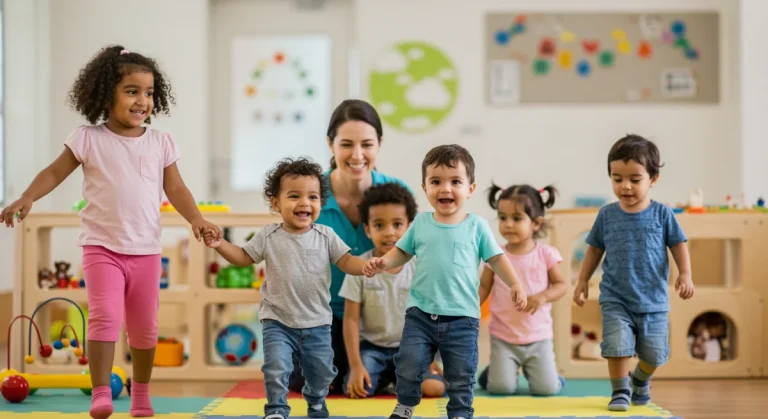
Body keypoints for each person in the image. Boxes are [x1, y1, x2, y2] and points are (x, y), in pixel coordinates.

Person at [0, 45, 221, 419]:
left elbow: (177, 188)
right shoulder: (88, 138)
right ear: (106, 95)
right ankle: (100, 392)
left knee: (145, 328)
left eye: (149, 93)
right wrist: (27, 196)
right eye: (131, 91)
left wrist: (196, 219)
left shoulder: (161, 142)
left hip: (146, 251)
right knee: (104, 317)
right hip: (101, 247)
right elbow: (54, 172)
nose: (142, 100)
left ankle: (141, 395)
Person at [363, 144, 527, 419]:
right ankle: (405, 404)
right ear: (425, 187)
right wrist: (384, 262)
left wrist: (515, 283)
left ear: (470, 189)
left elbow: (497, 258)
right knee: (409, 363)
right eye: (436, 182)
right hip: (421, 313)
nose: (445, 189)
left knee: (461, 372)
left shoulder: (476, 226)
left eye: (455, 182)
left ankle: (460, 411)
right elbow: (402, 252)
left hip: (462, 316)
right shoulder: (421, 223)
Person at [203, 157, 368, 419]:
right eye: (294, 196)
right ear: (276, 203)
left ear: (320, 203)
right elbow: (244, 257)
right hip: (277, 321)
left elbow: (346, 261)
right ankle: (277, 408)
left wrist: (366, 266)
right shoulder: (269, 235)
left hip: (317, 323)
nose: (304, 203)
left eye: (312, 197)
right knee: (276, 367)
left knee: (322, 370)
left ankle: (315, 401)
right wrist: (220, 244)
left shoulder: (326, 236)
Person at [289, 99, 409, 394]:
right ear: (331, 144)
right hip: (323, 317)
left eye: (367, 144)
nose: (357, 155)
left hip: (381, 317)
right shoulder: (312, 195)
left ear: (379, 144)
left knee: (354, 380)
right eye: (346, 144)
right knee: (311, 382)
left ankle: (383, 368)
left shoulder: (396, 193)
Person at [573, 134, 695, 412]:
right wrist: (582, 280)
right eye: (617, 179)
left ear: (653, 179)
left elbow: (678, 243)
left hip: (653, 299)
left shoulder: (662, 214)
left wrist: (685, 274)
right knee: (617, 346)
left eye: (634, 179)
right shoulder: (606, 215)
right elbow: (594, 248)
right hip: (616, 296)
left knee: (654, 354)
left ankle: (639, 378)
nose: (625, 186)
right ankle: (620, 391)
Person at [339, 183, 447, 399]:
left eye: (397, 224)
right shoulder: (358, 267)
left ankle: (398, 378)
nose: (389, 233)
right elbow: (350, 320)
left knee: (434, 389)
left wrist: (433, 357)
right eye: (379, 225)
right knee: (357, 390)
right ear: (368, 229)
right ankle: (388, 378)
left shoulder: (420, 266)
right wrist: (356, 365)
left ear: (409, 227)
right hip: (372, 349)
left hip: (411, 349)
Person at [477, 183, 567, 395]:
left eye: (517, 219)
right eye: (503, 217)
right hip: (503, 336)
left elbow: (561, 285)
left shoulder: (546, 254)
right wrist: (470, 308)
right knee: (501, 389)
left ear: (536, 223)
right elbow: (484, 286)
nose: (508, 224)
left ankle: (549, 376)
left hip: (538, 337)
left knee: (547, 390)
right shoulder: (495, 254)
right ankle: (495, 372)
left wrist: (543, 297)